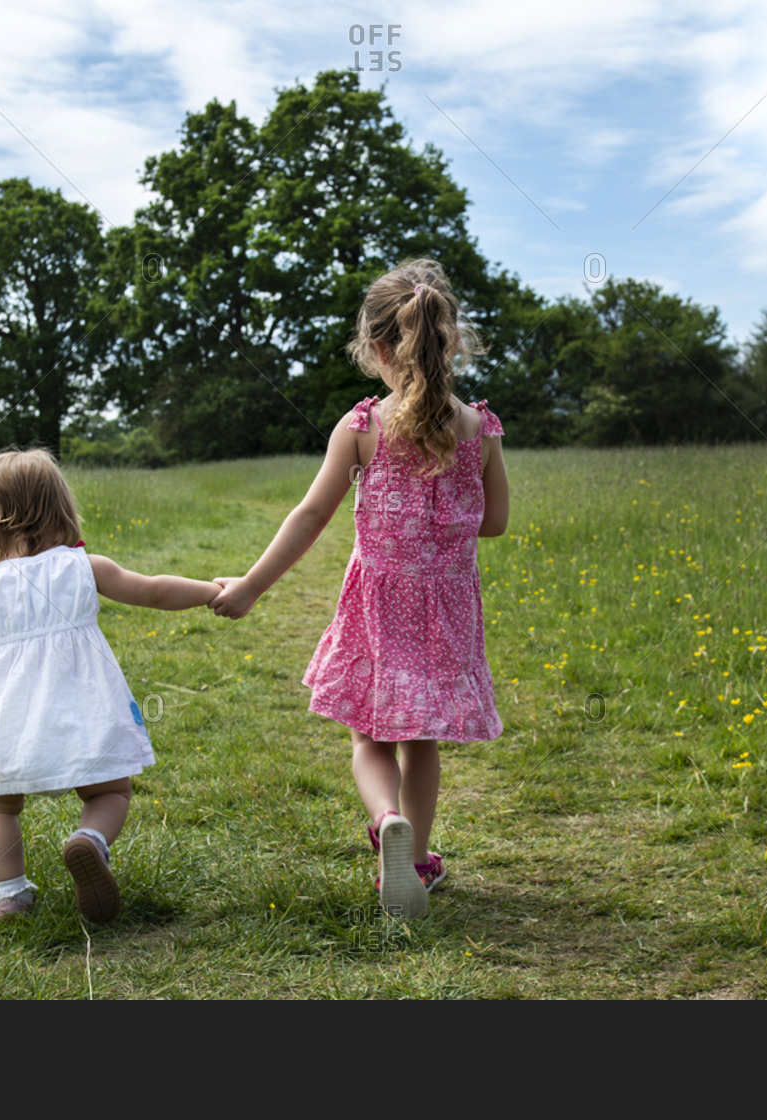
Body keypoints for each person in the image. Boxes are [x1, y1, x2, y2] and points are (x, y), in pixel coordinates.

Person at [210, 259, 509, 919]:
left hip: (377, 608)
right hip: (447, 610)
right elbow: (496, 523)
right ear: (450, 340)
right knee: (420, 740)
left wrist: (253, 586)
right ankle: (420, 860)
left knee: (366, 737)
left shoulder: (362, 427)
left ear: (378, 349)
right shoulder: (480, 430)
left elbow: (310, 516)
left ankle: (386, 821)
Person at [0, 448, 220, 921]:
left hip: (6, 724)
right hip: (83, 713)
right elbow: (153, 590)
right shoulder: (84, 567)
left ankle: (9, 894)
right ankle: (89, 840)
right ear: (61, 509)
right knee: (109, 792)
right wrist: (212, 591)